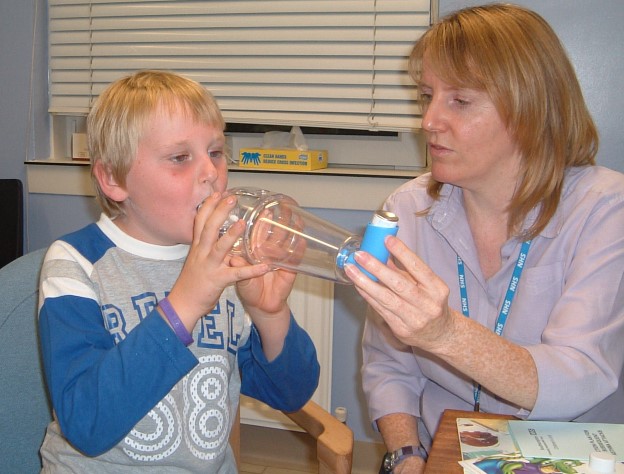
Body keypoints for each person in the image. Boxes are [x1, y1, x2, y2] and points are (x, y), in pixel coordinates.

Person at [343, 4, 624, 473]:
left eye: (460, 101)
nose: (429, 120)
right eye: (427, 95)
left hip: (568, 454)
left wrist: (447, 335)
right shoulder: (408, 210)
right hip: (443, 453)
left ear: (529, 108)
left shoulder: (604, 208)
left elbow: (580, 376)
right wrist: (406, 455)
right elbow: (388, 364)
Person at [37, 70, 320, 472]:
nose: (211, 173)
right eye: (180, 157)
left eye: (216, 152)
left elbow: (290, 392)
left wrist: (270, 315)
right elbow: (87, 423)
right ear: (113, 178)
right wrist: (184, 304)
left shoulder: (225, 259)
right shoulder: (75, 264)